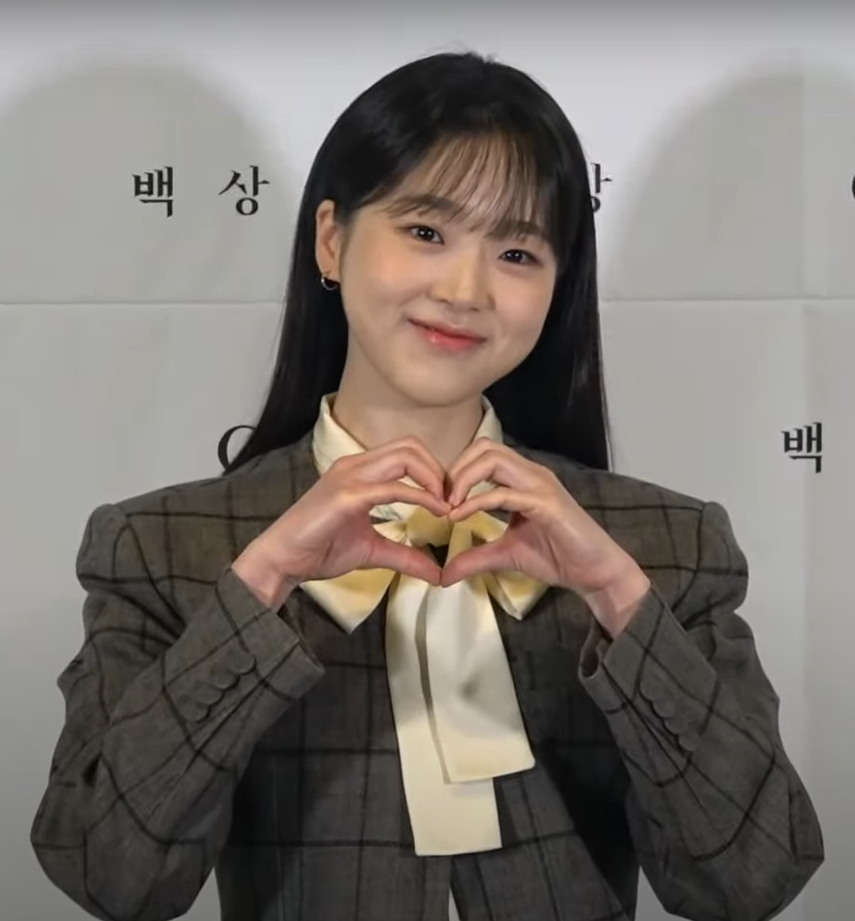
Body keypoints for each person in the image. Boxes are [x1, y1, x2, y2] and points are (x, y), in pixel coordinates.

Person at [30, 50, 823, 921]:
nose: (464, 289)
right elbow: (113, 878)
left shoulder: (664, 543)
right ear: (331, 239)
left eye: (516, 251)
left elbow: (750, 882)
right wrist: (259, 587)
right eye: (425, 232)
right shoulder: (163, 546)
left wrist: (619, 598)